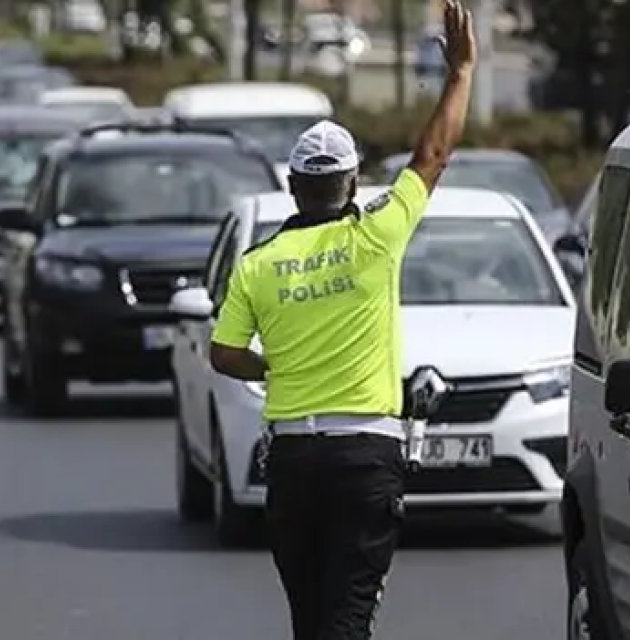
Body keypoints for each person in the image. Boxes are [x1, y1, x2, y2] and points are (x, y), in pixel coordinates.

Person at [207, 1, 476, 638]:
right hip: (366, 459)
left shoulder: (258, 263)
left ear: (294, 187)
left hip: (295, 462)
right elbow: (433, 154)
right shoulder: (378, 237)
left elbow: (223, 354)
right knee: (346, 621)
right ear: (352, 185)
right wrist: (460, 73)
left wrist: (272, 364)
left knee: (311, 622)